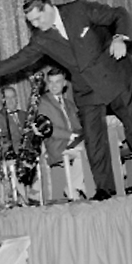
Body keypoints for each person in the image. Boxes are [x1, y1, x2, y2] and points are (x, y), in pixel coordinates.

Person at [0, 0, 132, 200]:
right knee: (94, 140)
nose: (35, 25)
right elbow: (19, 59)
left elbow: (119, 14)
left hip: (115, 74)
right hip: (86, 87)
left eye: (38, 18)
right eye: (31, 22)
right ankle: (104, 189)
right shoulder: (41, 39)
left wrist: (120, 37)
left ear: (48, 7)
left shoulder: (78, 10)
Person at [37, 67, 86, 198]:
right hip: (57, 144)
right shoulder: (42, 102)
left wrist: (84, 132)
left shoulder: (69, 103)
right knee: (87, 149)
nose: (54, 86)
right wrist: (70, 135)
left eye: (57, 81)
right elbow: (47, 128)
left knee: (94, 145)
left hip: (74, 142)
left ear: (64, 83)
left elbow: (77, 125)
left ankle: (75, 187)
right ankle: (75, 186)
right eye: (51, 82)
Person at [0, 86, 27, 157]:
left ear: (16, 99)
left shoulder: (25, 114)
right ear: (2, 100)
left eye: (13, 97)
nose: (10, 100)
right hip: (14, 157)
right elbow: (0, 142)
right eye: (7, 98)